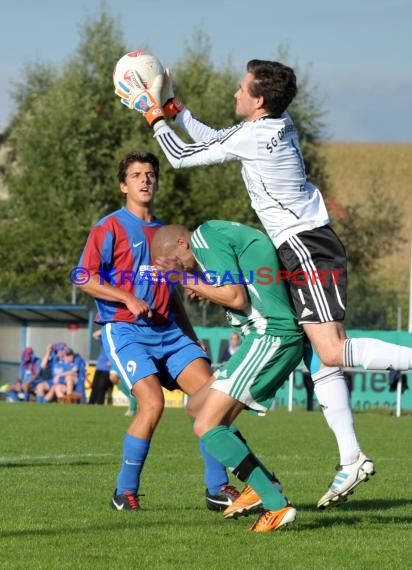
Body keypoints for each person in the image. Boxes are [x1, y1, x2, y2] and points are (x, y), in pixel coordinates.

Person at [114, 60, 412, 508]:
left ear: (257, 101)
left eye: (240, 89)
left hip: (306, 245)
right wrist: (175, 107)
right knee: (319, 357)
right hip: (302, 246)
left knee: (331, 349)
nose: (234, 94)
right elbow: (216, 139)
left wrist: (151, 113)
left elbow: (180, 156)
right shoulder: (276, 122)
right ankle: (350, 457)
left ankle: (348, 455)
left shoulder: (255, 135)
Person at [76, 149, 246, 512]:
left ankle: (218, 489)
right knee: (152, 405)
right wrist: (126, 297)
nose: (145, 180)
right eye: (136, 175)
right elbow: (83, 277)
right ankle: (124, 493)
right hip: (126, 330)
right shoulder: (109, 227)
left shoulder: (166, 232)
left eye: (150, 174)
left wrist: (189, 333)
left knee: (211, 398)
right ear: (124, 185)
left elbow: (172, 291)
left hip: (169, 331)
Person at [151, 220, 304, 532]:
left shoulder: (205, 237)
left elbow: (236, 298)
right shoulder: (215, 238)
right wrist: (198, 281)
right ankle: (265, 483)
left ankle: (276, 505)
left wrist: (186, 279)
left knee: (206, 424)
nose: (175, 268)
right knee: (196, 406)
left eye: (174, 259)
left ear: (183, 242)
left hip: (270, 335)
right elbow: (240, 283)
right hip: (263, 336)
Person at [89, 330, 112, 405]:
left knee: (102, 386)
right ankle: (91, 403)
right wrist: (106, 328)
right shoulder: (105, 339)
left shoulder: (116, 342)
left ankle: (100, 403)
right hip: (100, 366)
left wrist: (111, 362)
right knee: (95, 385)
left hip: (107, 368)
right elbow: (94, 335)